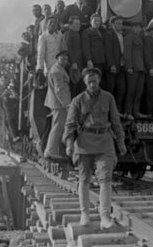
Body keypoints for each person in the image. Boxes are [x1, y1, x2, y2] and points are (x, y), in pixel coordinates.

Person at [63, 68, 126, 229]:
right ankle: (85, 214)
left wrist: (121, 143)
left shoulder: (108, 98)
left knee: (105, 180)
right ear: (85, 82)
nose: (92, 84)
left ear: (99, 81)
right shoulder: (77, 100)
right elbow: (70, 125)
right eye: (89, 82)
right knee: (84, 180)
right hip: (84, 143)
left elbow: (116, 122)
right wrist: (69, 144)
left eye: (95, 81)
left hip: (104, 142)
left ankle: (105, 216)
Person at [43, 51, 71, 161]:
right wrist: (66, 104)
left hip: (58, 103)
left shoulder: (58, 69)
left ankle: (52, 150)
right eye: (62, 59)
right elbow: (59, 90)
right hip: (59, 104)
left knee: (58, 126)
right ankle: (50, 151)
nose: (64, 61)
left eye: (66, 59)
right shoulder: (57, 71)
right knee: (57, 127)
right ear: (57, 59)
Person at [124, 22, 146, 119]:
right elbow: (127, 52)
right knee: (131, 91)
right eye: (136, 27)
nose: (138, 29)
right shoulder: (129, 37)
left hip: (141, 68)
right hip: (132, 68)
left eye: (139, 27)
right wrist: (129, 66)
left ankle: (135, 112)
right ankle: (128, 112)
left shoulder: (140, 38)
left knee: (139, 92)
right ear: (132, 27)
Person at [105, 16, 126, 113]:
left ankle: (118, 110)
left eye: (121, 23)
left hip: (122, 65)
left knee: (121, 89)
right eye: (117, 23)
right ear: (112, 24)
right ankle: (108, 110)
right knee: (111, 89)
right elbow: (108, 50)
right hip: (114, 66)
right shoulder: (109, 34)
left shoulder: (122, 35)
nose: (120, 25)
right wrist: (111, 64)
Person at [62, 16, 84, 97]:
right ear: (70, 25)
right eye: (76, 24)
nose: (79, 26)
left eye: (79, 24)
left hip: (79, 65)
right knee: (73, 88)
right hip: (73, 65)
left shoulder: (76, 34)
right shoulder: (68, 34)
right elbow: (68, 49)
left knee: (78, 88)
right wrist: (73, 62)